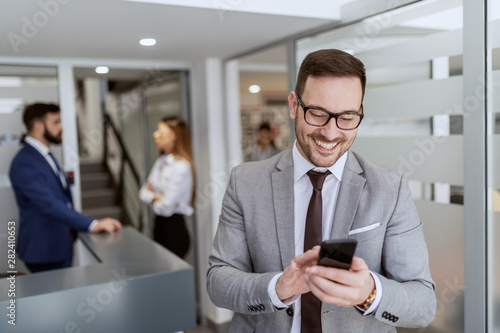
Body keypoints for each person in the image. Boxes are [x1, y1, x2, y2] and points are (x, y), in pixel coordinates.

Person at [207, 49, 436, 332]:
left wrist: (370, 292)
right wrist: (276, 288)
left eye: (348, 117)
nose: (330, 133)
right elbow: (218, 281)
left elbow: (424, 304)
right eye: (317, 113)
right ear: (293, 105)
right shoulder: (245, 182)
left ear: (360, 111)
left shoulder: (391, 188)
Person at [9, 103, 122, 273]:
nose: (61, 127)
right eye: (56, 122)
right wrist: (92, 224)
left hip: (59, 243)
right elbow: (48, 204)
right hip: (44, 250)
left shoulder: (44, 154)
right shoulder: (25, 162)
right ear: (39, 126)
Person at [139, 116, 195, 259]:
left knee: (174, 278)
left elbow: (166, 208)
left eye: (160, 131)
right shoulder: (161, 160)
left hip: (174, 231)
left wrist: (154, 196)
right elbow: (142, 193)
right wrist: (157, 197)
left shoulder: (182, 166)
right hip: (159, 227)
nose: (155, 134)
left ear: (173, 135)